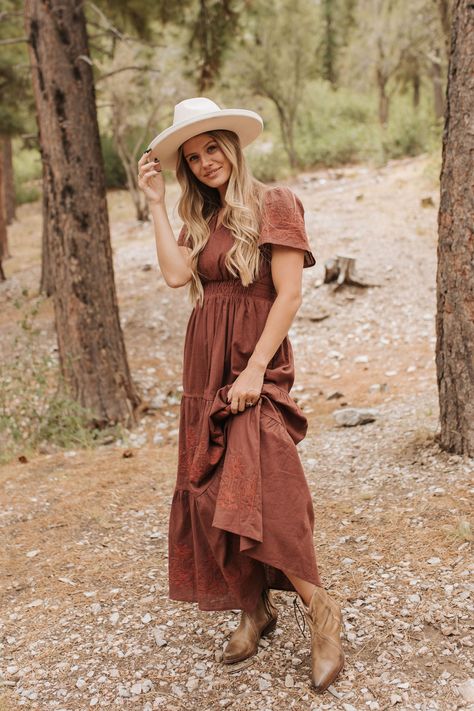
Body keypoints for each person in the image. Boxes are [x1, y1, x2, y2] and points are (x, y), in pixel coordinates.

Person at [137, 97, 345, 692]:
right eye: (193, 156)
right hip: (205, 361)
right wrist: (155, 204)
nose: (205, 163)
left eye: (212, 148)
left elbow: (289, 295)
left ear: (233, 146)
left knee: (267, 485)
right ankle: (255, 607)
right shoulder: (201, 218)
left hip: (253, 361)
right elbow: (179, 276)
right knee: (211, 492)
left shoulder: (272, 203)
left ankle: (321, 609)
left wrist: (255, 370)